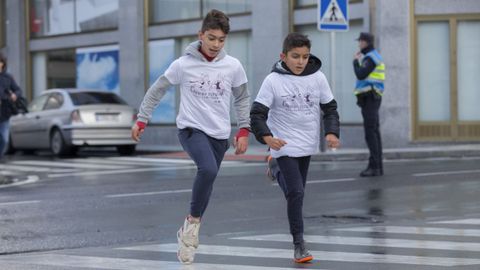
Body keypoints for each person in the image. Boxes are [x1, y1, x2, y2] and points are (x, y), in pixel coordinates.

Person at [131, 9, 251, 265]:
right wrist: (142, 118)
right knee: (206, 170)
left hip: (220, 134)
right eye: (211, 38)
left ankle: (187, 232)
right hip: (191, 129)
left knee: (207, 183)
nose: (216, 45)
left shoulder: (233, 66)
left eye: (221, 40)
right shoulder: (183, 64)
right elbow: (157, 90)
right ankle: (192, 225)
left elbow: (241, 98)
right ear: (201, 35)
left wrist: (243, 129)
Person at [250, 33, 340, 263]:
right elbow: (257, 114)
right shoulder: (273, 80)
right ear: (284, 56)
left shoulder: (318, 78)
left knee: (296, 191)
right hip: (282, 144)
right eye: (295, 56)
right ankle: (299, 244)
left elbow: (330, 108)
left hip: (307, 144)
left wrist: (331, 132)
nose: (300, 62)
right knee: (296, 193)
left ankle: (274, 166)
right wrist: (267, 138)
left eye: (305, 56)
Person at [353, 32, 385, 177]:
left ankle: (375, 167)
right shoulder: (372, 56)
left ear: (365, 42)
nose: (359, 44)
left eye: (360, 41)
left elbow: (361, 74)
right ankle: (377, 166)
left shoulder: (371, 58)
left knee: (370, 133)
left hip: (370, 98)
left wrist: (355, 61)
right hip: (372, 97)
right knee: (374, 132)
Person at [0, 53, 23, 161]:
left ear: (2, 64)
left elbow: (18, 90)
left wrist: (15, 95)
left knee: (4, 139)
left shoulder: (8, 77)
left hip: (5, 111)